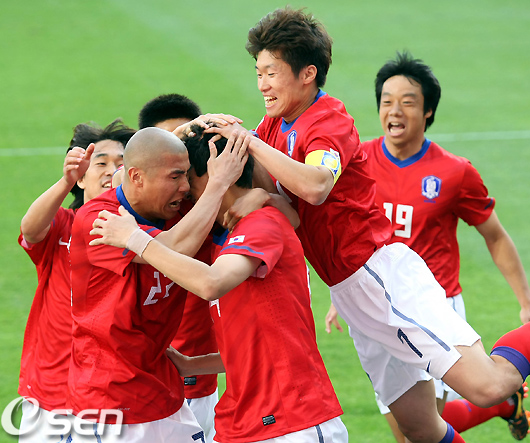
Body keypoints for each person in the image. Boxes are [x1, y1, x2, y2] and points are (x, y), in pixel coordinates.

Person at [207, 7, 530, 443]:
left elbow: (317, 185)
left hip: (381, 279)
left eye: (271, 73)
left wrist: (250, 144)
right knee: (419, 427)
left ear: (307, 74)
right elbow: (292, 212)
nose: (262, 85)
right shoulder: (273, 125)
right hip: (350, 293)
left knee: (489, 386)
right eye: (258, 73)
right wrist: (253, 184)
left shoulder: (328, 121)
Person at [88, 125, 347, 443]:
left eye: (189, 179)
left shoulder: (262, 224)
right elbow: (253, 350)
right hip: (244, 422)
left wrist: (135, 239)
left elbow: (212, 283)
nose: (185, 190)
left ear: (218, 175)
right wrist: (191, 365)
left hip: (291, 421)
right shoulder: (225, 234)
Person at [343, 51, 530, 442]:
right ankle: (503, 405)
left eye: (407, 102)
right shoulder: (358, 162)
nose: (395, 111)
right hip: (379, 309)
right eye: (386, 101)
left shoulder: (454, 172)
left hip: (435, 306)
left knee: (423, 429)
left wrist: (526, 303)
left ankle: (500, 399)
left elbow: (495, 235)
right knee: (414, 430)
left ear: (428, 111)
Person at [67, 125, 247, 442]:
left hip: (164, 389)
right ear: (136, 177)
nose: (185, 187)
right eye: (175, 177)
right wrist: (218, 184)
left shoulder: (181, 211)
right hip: (110, 400)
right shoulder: (100, 219)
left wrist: (257, 194)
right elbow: (173, 248)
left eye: (187, 176)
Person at [17, 118, 135, 440]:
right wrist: (64, 181)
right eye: (101, 163)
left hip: (107, 395)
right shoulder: (62, 225)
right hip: (50, 392)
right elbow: (30, 229)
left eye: (121, 164)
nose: (112, 171)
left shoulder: (138, 234)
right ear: (81, 178)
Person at [137, 93, 220, 441]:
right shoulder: (126, 213)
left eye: (185, 148)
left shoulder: (213, 207)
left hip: (197, 379)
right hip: (136, 385)